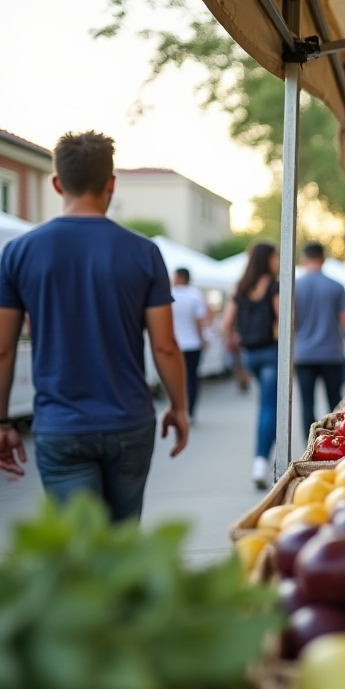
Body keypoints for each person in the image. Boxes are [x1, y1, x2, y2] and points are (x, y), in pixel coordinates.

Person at [0, 131, 188, 521]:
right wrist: (178, 406)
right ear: (110, 183)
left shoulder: (18, 253)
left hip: (60, 425)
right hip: (129, 421)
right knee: (123, 539)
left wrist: (2, 422)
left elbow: (3, 349)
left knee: (81, 546)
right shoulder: (145, 253)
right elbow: (165, 345)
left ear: (57, 184)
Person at [222, 242, 280, 488]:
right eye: (276, 257)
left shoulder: (241, 286)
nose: (278, 261)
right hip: (270, 353)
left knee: (265, 403)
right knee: (270, 408)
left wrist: (234, 346)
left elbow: (226, 323)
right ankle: (261, 462)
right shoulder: (274, 286)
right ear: (266, 259)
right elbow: (286, 320)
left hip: (249, 355)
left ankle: (261, 461)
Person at [294, 242, 345, 433]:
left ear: (304, 259)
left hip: (303, 354)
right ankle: (336, 438)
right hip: (331, 353)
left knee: (307, 403)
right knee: (334, 402)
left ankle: (310, 443)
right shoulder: (336, 286)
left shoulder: (294, 286)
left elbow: (288, 322)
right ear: (323, 259)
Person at [171, 267, 210, 419]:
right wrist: (202, 339)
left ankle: (177, 409)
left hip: (175, 344)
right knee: (192, 378)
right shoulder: (195, 295)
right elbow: (199, 321)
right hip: (192, 344)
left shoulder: (169, 294)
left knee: (176, 378)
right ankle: (190, 411)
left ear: (180, 277)